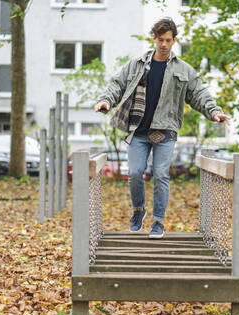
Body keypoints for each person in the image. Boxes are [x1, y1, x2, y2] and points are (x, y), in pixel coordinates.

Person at [94, 17, 230, 239]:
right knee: (136, 173)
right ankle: (139, 210)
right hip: (138, 130)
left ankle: (158, 221)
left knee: (160, 174)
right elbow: (117, 84)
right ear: (154, 39)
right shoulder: (137, 64)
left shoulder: (183, 70)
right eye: (160, 40)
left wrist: (214, 112)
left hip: (165, 130)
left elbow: (199, 93)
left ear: (174, 40)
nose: (164, 44)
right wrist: (106, 101)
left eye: (168, 40)